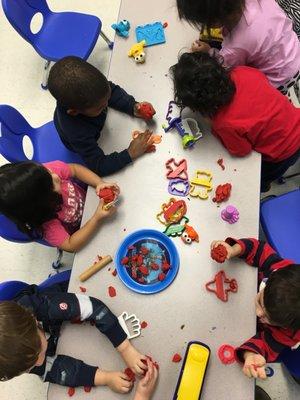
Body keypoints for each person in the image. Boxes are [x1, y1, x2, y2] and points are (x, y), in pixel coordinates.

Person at [170, 52, 300, 192]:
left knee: (258, 181)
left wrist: (213, 126)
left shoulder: (224, 124)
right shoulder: (242, 71)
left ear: (199, 106)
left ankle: (263, 187)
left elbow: (242, 151)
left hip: (284, 152)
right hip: (295, 119)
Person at [0, 282, 149, 392]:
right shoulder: (16, 360)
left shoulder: (43, 307)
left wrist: (125, 349)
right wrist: (105, 378)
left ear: (33, 319)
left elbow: (93, 308)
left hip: (63, 293)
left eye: (39, 351)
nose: (39, 362)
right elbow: (54, 370)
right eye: (29, 367)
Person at [48, 56, 156, 177]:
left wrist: (132, 107)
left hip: (97, 126)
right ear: (74, 112)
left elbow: (113, 92)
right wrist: (130, 153)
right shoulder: (77, 133)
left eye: (107, 99)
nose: (106, 105)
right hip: (85, 143)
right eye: (100, 107)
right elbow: (98, 166)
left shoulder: (95, 90)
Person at [210, 237, 300, 381]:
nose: (258, 312)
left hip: (242, 327)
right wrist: (233, 250)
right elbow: (258, 248)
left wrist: (250, 355)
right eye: (259, 301)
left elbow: (265, 346)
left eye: (267, 318)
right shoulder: (280, 271)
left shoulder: (289, 333)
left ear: (285, 326)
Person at [176, 0, 300, 99]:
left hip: (279, 78)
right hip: (293, 50)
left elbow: (223, 67)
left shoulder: (235, 47)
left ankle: (284, 99)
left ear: (214, 21)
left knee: (248, 94)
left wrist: (208, 51)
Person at [0, 160, 118, 251]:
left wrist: (99, 183)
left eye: (48, 172)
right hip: (84, 229)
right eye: (51, 183)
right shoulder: (47, 225)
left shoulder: (44, 174)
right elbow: (70, 245)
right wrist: (96, 219)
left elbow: (75, 169)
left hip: (90, 202)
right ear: (41, 202)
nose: (55, 176)